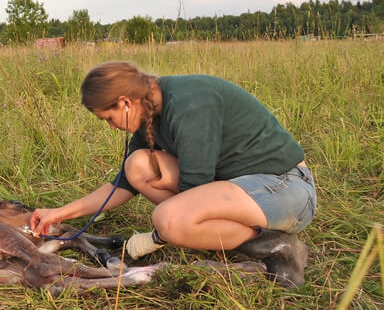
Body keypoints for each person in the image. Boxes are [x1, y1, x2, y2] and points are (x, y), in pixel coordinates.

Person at [28, 61, 316, 289]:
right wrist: (61, 213)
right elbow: (124, 184)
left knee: (169, 219)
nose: (112, 128)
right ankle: (230, 235)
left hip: (285, 187)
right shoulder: (148, 110)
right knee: (138, 165)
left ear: (125, 102)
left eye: (109, 119)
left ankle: (280, 247)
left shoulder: (189, 104)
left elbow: (195, 188)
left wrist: (158, 237)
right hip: (238, 188)